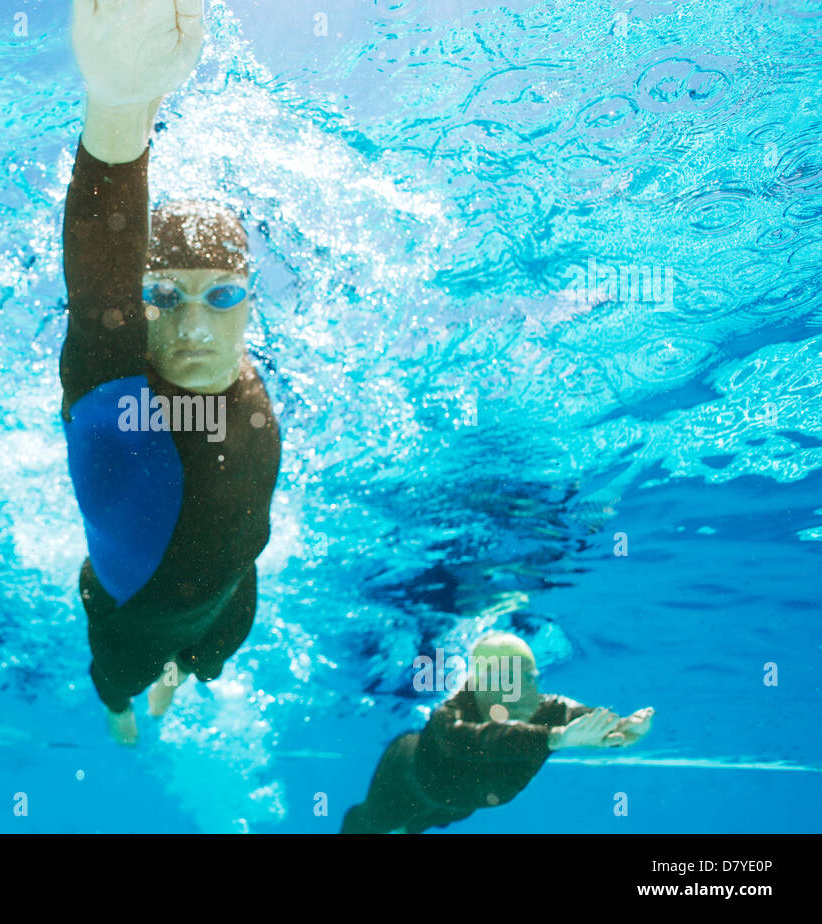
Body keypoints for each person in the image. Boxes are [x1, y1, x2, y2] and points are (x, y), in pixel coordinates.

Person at [61, 0, 281, 745]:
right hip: (132, 620)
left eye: (221, 296)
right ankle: (125, 707)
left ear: (250, 300)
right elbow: (98, 273)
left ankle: (181, 677)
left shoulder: (245, 360)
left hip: (233, 597)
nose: (193, 328)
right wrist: (120, 105)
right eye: (160, 297)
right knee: (118, 685)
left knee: (205, 665)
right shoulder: (112, 397)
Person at [341, 632, 655, 833]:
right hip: (401, 781)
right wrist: (555, 738)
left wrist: (624, 729)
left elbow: (583, 718)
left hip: (456, 805)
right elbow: (481, 741)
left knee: (422, 824)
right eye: (504, 680)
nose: (517, 691)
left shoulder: (550, 710)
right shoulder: (448, 717)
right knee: (375, 824)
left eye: (527, 679)